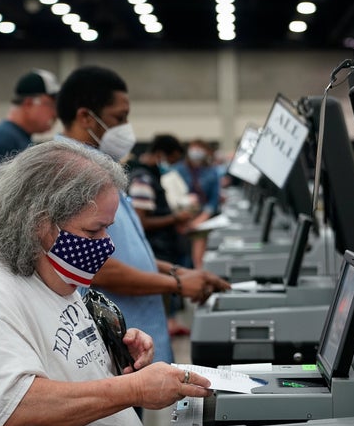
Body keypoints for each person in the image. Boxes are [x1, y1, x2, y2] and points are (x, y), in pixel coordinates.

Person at [0, 141, 212, 426]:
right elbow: (12, 410)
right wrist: (135, 390)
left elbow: (53, 348)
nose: (106, 245)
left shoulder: (40, 264)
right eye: (93, 230)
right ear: (40, 222)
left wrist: (113, 352)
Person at [55, 65, 230, 365]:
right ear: (85, 117)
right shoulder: (68, 173)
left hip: (131, 337)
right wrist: (174, 284)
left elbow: (127, 250)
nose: (126, 127)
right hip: (108, 342)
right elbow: (94, 267)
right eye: (118, 118)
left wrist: (175, 271)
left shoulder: (97, 166)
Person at [125, 134, 195, 336]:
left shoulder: (150, 176)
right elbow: (142, 221)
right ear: (160, 154)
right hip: (156, 249)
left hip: (163, 248)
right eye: (171, 160)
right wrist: (174, 218)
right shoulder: (143, 179)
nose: (171, 166)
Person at [0, 68, 59, 192]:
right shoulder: (2, 137)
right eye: (51, 105)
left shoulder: (18, 137)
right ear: (28, 104)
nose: (55, 113)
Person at [173, 138, 222, 269]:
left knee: (198, 258)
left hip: (201, 218)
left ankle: (198, 271)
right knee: (181, 257)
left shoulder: (212, 171)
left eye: (199, 149)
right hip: (180, 217)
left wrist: (200, 220)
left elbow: (213, 201)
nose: (196, 152)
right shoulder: (178, 169)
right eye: (194, 148)